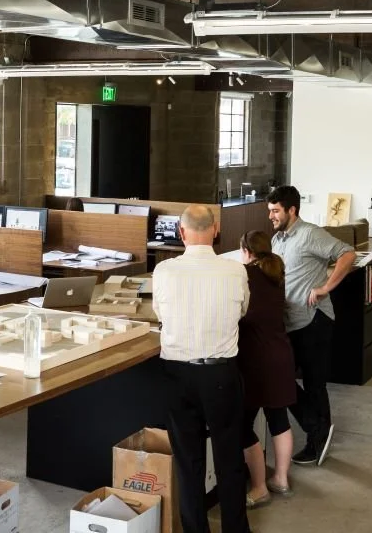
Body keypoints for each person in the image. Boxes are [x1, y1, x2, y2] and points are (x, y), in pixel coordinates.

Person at [153, 206, 253, 533]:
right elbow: (242, 310)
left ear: (181, 233)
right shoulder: (235, 270)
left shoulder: (165, 271)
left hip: (177, 375)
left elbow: (160, 313)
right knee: (229, 459)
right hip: (221, 375)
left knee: (188, 461)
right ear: (215, 230)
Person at [265, 186, 355, 465]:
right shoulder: (277, 240)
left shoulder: (310, 234)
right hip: (290, 323)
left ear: (292, 210)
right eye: (269, 211)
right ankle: (318, 429)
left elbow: (347, 253)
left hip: (314, 320)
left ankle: (318, 443)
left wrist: (326, 287)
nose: (271, 216)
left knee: (315, 384)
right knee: (280, 380)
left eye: (276, 210)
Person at [237, 230, 297, 509]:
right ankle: (281, 479)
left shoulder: (245, 276)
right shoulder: (276, 274)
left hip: (254, 360)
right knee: (279, 420)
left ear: (246, 252)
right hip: (281, 355)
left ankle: (259, 487)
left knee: (242, 424)